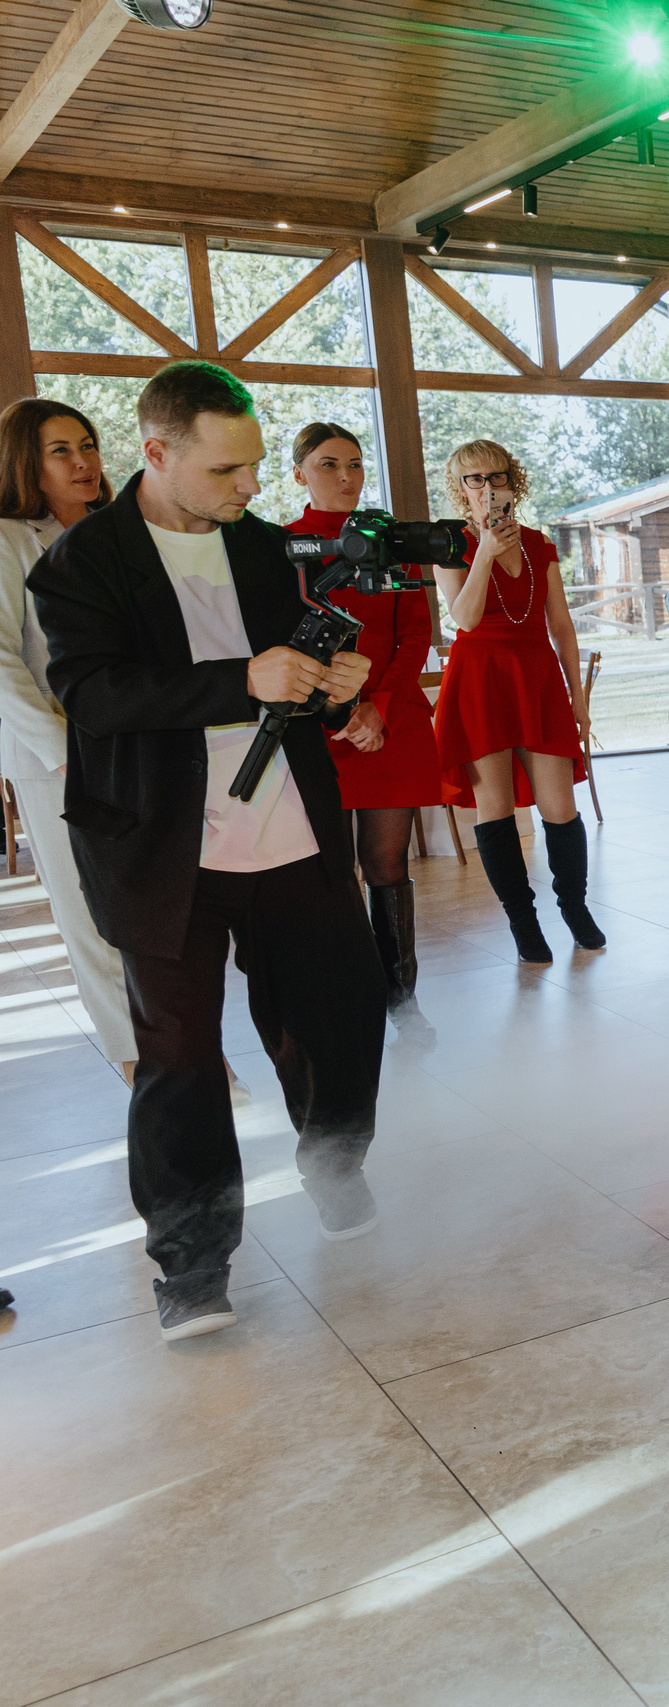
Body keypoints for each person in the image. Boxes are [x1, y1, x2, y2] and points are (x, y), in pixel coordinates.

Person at [28, 361, 387, 1342]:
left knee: (339, 1019)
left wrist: (337, 690)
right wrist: (243, 679)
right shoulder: (81, 564)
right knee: (180, 1061)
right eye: (228, 469)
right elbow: (95, 695)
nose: (250, 486)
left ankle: (334, 1161)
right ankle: (191, 1265)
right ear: (157, 452)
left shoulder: (266, 550)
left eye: (254, 465)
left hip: (293, 837)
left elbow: (297, 674)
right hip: (161, 851)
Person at [284, 422, 443, 1017]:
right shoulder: (281, 546)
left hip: (390, 721)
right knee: (329, 869)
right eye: (328, 464)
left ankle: (402, 999)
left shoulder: (392, 540)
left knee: (386, 863)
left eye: (354, 464)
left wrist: (379, 705)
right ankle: (349, 995)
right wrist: (341, 709)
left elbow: (416, 634)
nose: (346, 476)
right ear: (299, 473)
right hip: (312, 723)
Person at [0, 398, 136, 1083]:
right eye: (61, 450)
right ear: (25, 462)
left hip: (138, 746)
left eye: (87, 444)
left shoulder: (120, 534)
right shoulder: (8, 540)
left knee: (156, 908)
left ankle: (183, 1046)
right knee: (88, 911)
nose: (84, 461)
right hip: (55, 756)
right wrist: (61, 752)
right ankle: (137, 1058)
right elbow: (1, 663)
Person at [430, 439, 604, 965]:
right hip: (479, 681)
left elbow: (562, 627)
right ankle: (522, 922)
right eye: (474, 479)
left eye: (496, 476)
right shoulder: (449, 545)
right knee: (496, 809)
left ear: (513, 481)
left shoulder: (538, 543)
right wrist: (484, 551)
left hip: (536, 678)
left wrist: (578, 699)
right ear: (460, 489)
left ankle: (574, 908)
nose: (487, 488)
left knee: (560, 809)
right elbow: (463, 618)